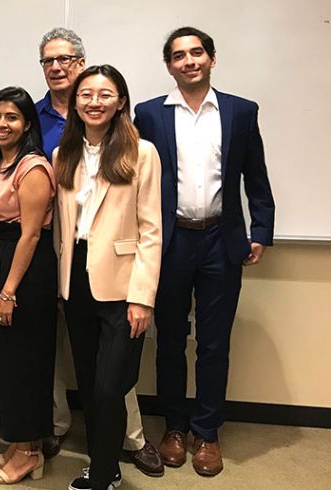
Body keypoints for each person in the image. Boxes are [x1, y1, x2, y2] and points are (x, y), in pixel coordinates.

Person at [134, 26, 275, 477]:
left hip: (220, 240)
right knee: (170, 339)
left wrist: (261, 230)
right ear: (170, 65)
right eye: (179, 55)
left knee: (214, 342)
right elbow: (137, 180)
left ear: (211, 59)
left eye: (197, 53)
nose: (188, 60)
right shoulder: (149, 114)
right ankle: (175, 427)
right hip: (172, 241)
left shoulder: (240, 111)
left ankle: (207, 433)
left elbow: (256, 176)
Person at [36, 28, 163, 477]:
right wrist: (58, 284)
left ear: (120, 102)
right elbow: (62, 231)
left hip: (122, 286)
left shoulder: (142, 152)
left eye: (104, 94)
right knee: (89, 385)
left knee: (111, 388)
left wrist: (142, 297)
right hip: (76, 285)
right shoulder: (62, 153)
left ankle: (106, 465)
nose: (93, 101)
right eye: (86, 94)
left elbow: (151, 231)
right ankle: (102, 469)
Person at [0, 87, 57, 484]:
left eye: (12, 118)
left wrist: (7, 291)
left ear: (26, 124)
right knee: (1, 359)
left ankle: (30, 452)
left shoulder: (32, 166)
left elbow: (31, 235)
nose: (2, 124)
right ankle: (16, 442)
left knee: (23, 361)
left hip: (22, 270)